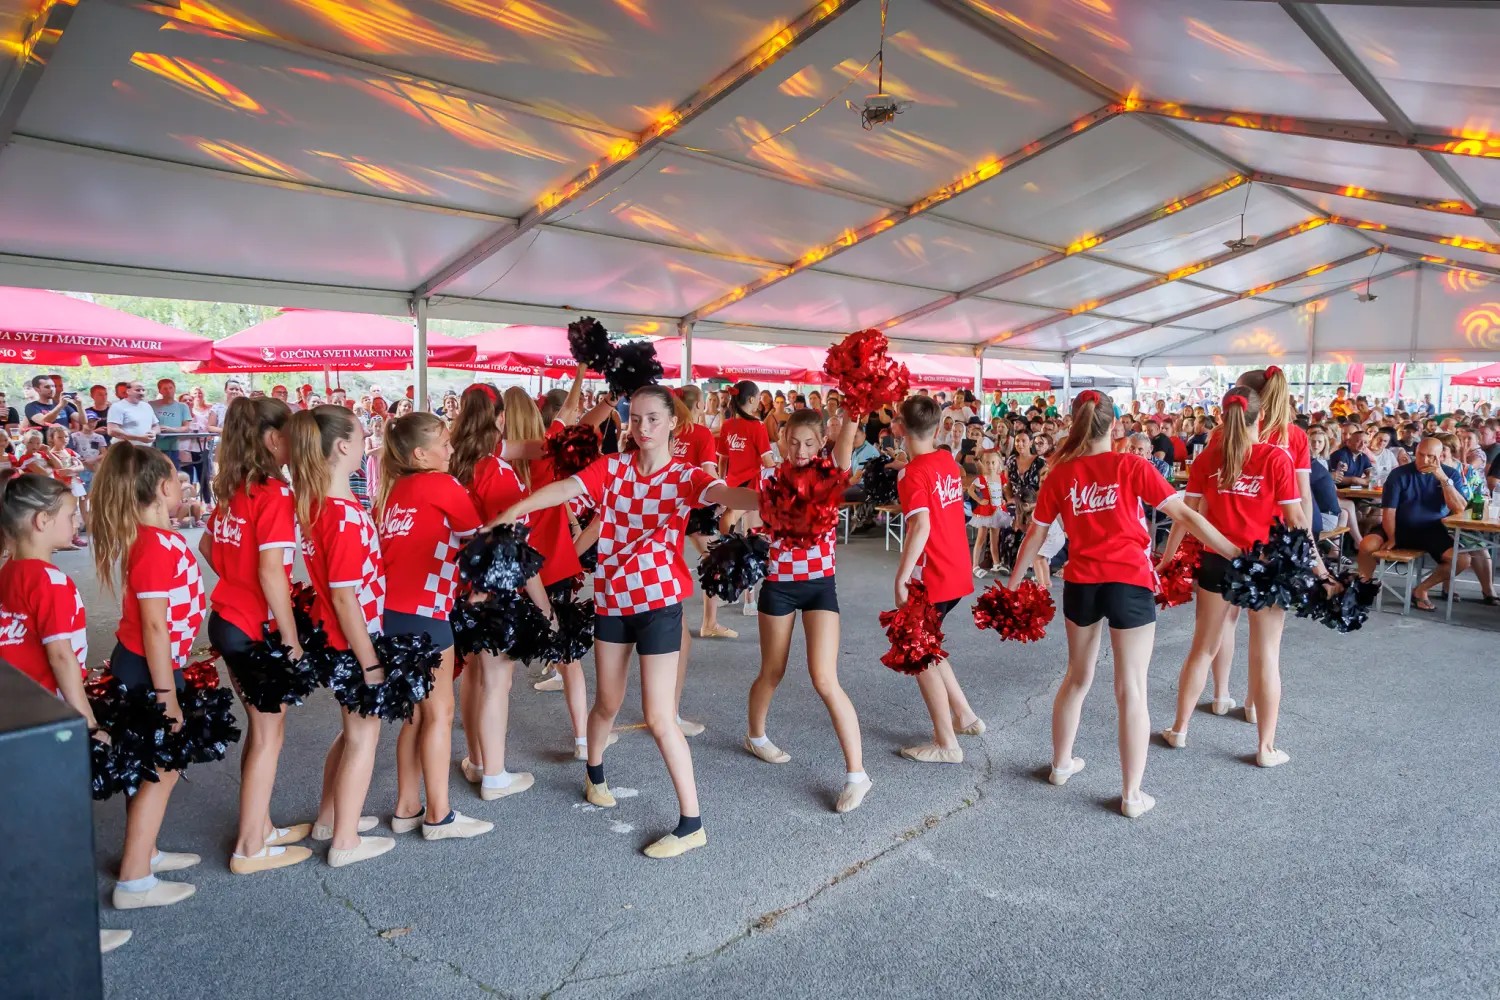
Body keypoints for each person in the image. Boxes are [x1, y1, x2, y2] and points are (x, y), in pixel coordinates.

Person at [493, 385, 760, 859]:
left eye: (653, 419)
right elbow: (566, 488)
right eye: (634, 418)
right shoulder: (613, 468)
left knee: (659, 716)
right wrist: (518, 507)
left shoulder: (685, 474)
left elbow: (723, 492)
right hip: (613, 602)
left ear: (673, 423)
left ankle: (692, 822)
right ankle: (594, 775)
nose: (642, 428)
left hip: (659, 604)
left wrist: (773, 499)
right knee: (607, 705)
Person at [1009, 392, 1238, 818]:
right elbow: (1186, 516)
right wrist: (1233, 550)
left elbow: (1034, 537)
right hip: (1129, 583)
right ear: (1115, 426)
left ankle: (1061, 765)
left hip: (1081, 584)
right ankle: (1132, 796)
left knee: (1076, 679)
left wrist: (1012, 584)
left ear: (1077, 423)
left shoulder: (1059, 474)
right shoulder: (1132, 465)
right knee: (1130, 688)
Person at [1159, 387, 1330, 767]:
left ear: (1222, 416)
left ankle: (1180, 729)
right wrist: (1321, 570)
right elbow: (1297, 521)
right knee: (1266, 653)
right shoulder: (1275, 457)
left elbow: (1187, 517)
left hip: (1218, 562)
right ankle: (1265, 748)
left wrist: (1166, 559)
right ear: (1261, 417)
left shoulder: (1208, 458)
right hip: (1265, 566)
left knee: (1202, 647)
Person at [0, 475, 132, 951]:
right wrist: (89, 724)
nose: (77, 520)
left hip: (13, 717)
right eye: (71, 514)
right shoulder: (50, 581)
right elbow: (60, 658)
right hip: (46, 722)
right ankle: (67, 931)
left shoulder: (6, 572)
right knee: (56, 829)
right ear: (41, 521)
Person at [200, 396, 315, 874]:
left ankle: (260, 826)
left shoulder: (234, 487)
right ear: (272, 440)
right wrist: (291, 639)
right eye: (289, 435)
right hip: (250, 628)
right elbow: (272, 574)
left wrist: (234, 580)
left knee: (265, 729)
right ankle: (250, 847)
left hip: (230, 619)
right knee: (269, 734)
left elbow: (209, 544)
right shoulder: (272, 492)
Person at [91, 443, 205, 909]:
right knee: (162, 770)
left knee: (146, 765)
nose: (184, 485)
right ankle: (134, 881)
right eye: (179, 479)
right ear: (163, 488)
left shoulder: (153, 539)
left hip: (143, 664)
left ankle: (145, 851)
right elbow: (155, 625)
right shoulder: (156, 545)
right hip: (148, 670)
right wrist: (167, 695)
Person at [744, 407, 871, 812]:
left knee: (824, 678)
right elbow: (750, 522)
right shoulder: (767, 477)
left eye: (810, 443)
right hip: (778, 586)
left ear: (822, 444)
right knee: (772, 670)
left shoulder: (832, 472)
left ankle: (857, 775)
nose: (800, 450)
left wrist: (856, 401)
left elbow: (848, 435)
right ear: (782, 440)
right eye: (794, 442)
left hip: (819, 588)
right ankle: (756, 736)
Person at [285, 405, 396, 867]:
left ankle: (331, 819)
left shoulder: (316, 505)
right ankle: (345, 841)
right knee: (362, 738)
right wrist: (370, 660)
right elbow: (347, 597)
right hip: (355, 638)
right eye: (363, 432)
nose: (370, 436)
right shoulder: (344, 515)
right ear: (344, 447)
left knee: (350, 734)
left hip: (337, 638)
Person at [377, 411, 493, 842]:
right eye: (443, 444)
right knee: (439, 714)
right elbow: (480, 541)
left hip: (392, 614)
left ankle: (408, 807)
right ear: (420, 453)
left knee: (415, 715)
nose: (451, 449)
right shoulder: (442, 484)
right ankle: (439, 816)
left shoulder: (394, 490)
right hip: (426, 614)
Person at [450, 385, 551, 791]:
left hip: (461, 586)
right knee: (497, 681)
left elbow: (533, 449)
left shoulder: (455, 462)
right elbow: (515, 547)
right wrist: (544, 606)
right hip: (494, 588)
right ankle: (495, 775)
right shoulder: (496, 470)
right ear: (500, 418)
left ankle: (478, 761)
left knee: (475, 675)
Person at [892, 395, 984, 764]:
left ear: (898, 428)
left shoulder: (910, 473)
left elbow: (920, 526)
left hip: (932, 573)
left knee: (920, 652)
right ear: (938, 426)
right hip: (956, 568)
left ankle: (946, 741)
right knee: (928, 643)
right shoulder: (946, 459)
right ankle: (964, 715)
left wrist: (900, 578)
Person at [1355, 436, 1495, 611]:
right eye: (1420, 455)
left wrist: (1443, 479)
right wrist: (1392, 537)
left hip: (1431, 529)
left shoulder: (1450, 475)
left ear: (1439, 456)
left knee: (1461, 560)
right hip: (1398, 526)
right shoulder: (1399, 474)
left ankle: (1421, 590)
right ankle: (1364, 585)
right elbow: (1389, 511)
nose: (1424, 460)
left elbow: (1460, 508)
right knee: (1366, 544)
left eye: (1430, 456)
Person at [719, 381, 775, 614]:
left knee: (728, 543)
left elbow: (722, 459)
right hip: (752, 491)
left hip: (731, 490)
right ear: (751, 400)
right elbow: (768, 463)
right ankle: (749, 599)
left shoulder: (727, 425)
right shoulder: (757, 426)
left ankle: (727, 590)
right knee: (754, 542)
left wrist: (722, 484)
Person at [967, 449, 1009, 577]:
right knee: (981, 538)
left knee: (994, 539)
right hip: (985, 511)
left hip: (997, 510)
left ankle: (996, 563)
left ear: (998, 463)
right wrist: (979, 500)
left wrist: (1003, 500)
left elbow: (1003, 492)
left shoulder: (1001, 477)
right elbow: (970, 491)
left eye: (993, 462)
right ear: (983, 464)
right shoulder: (981, 479)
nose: (990, 465)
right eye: (987, 463)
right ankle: (975, 565)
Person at [151, 379, 191, 471]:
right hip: (153, 446)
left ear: (174, 389)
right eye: (165, 388)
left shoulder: (183, 407)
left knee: (172, 472)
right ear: (160, 391)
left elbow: (186, 427)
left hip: (172, 446)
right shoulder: (151, 405)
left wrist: (171, 429)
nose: (168, 391)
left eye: (170, 388)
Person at [107, 381, 159, 446]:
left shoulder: (147, 406)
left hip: (145, 449)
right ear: (128, 391)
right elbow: (112, 431)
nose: (141, 393)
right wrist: (139, 438)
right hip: (124, 449)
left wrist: (153, 432)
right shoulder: (117, 406)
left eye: (143, 390)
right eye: (138, 390)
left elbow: (156, 426)